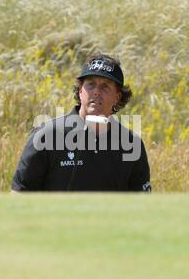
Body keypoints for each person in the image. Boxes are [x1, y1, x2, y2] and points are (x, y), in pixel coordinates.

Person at [11, 53, 151, 191]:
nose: (96, 92)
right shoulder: (46, 136)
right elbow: (19, 196)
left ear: (117, 97)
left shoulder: (131, 144)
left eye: (105, 87)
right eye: (90, 84)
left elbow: (142, 208)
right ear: (80, 91)